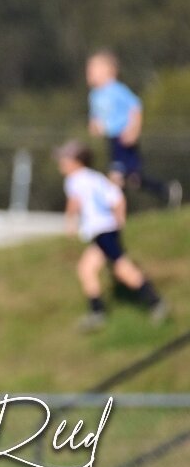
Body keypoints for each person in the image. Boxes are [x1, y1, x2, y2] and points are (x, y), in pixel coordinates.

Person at [57, 140, 169, 332]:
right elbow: (117, 198)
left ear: (76, 161)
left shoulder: (74, 180)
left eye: (64, 159)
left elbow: (74, 203)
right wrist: (119, 221)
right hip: (107, 230)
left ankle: (155, 302)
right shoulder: (95, 177)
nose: (61, 163)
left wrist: (70, 223)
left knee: (122, 269)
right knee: (86, 268)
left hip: (102, 231)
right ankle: (97, 312)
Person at [87, 50, 178, 206]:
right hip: (111, 139)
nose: (89, 73)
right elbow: (95, 117)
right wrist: (94, 126)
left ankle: (115, 210)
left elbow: (135, 107)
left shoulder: (117, 89)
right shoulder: (94, 95)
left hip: (124, 138)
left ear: (110, 70)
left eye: (93, 69)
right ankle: (166, 191)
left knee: (117, 175)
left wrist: (134, 129)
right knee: (134, 179)